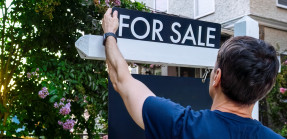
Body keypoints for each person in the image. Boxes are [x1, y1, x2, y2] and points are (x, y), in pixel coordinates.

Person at [101, 8, 284, 139]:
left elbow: (121, 79)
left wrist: (109, 34)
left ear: (217, 77)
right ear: (263, 89)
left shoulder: (181, 126)